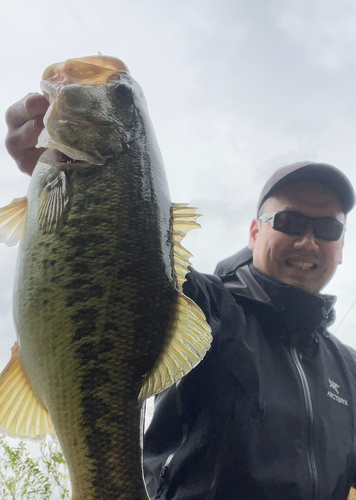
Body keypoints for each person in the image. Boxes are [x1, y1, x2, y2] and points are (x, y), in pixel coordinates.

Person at [5, 93, 356, 500]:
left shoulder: (348, 369)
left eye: (327, 229)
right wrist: (82, 185)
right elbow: (130, 261)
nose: (308, 241)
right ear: (255, 233)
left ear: (341, 247)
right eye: (290, 221)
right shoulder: (206, 305)